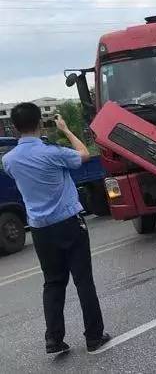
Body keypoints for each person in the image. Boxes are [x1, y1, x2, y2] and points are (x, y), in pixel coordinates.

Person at [1, 103, 110, 355]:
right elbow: (83, 155)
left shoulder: (9, 160)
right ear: (40, 122)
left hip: (40, 229)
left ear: (15, 128)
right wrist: (66, 130)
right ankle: (94, 336)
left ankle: (54, 338)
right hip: (69, 223)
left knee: (52, 282)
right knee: (83, 280)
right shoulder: (52, 152)